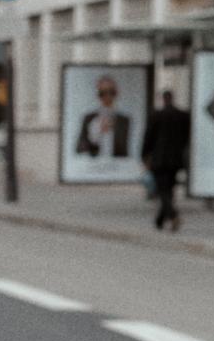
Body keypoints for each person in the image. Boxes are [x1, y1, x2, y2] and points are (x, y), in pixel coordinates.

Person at [141, 84, 190, 231]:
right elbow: (186, 137)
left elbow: (148, 138)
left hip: (159, 159)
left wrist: (144, 156)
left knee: (162, 190)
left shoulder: (156, 115)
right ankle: (160, 220)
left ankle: (173, 215)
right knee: (169, 189)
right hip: (175, 159)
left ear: (163, 99)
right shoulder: (182, 115)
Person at [75, 73, 133, 162]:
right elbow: (80, 148)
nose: (107, 96)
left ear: (116, 93)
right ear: (98, 95)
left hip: (116, 166)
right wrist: (97, 132)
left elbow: (124, 150)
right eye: (103, 93)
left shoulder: (124, 120)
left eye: (111, 92)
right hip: (94, 165)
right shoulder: (89, 118)